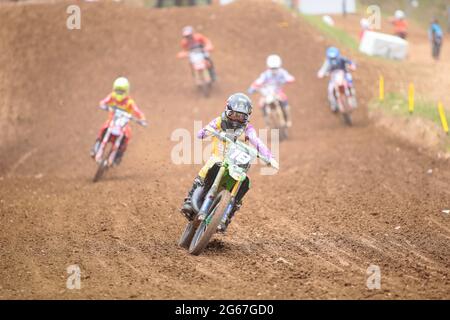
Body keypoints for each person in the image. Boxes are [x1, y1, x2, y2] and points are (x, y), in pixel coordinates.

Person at [180, 93, 275, 232]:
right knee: (209, 166)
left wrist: (269, 157)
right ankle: (190, 200)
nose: (236, 118)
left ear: (247, 116)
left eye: (241, 116)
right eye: (234, 114)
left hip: (237, 163)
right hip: (219, 157)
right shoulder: (219, 121)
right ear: (227, 110)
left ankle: (226, 216)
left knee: (244, 182)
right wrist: (206, 131)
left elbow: (257, 141)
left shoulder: (248, 129)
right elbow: (203, 132)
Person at [90, 77, 147, 165]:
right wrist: (103, 105)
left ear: (126, 91)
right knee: (103, 129)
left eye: (122, 91)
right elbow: (103, 102)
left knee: (127, 135)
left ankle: (118, 156)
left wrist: (142, 119)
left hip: (123, 125)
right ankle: (96, 147)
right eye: (118, 90)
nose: (119, 93)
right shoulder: (112, 97)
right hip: (112, 121)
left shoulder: (129, 102)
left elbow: (137, 111)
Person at [247, 55, 295, 127]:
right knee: (261, 104)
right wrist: (252, 87)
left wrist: (289, 80)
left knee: (285, 103)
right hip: (267, 94)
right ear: (268, 67)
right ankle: (267, 121)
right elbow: (258, 81)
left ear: (279, 66)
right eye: (272, 68)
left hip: (278, 92)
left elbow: (289, 77)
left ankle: (288, 120)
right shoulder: (265, 75)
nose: (274, 70)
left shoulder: (282, 73)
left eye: (275, 68)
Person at [317, 47, 357, 113]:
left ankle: (352, 95)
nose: (334, 60)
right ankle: (334, 105)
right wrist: (321, 74)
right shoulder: (327, 62)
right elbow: (322, 70)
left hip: (344, 75)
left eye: (335, 57)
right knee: (330, 91)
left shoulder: (342, 58)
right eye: (332, 58)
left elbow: (350, 63)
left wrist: (352, 66)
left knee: (349, 81)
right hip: (334, 79)